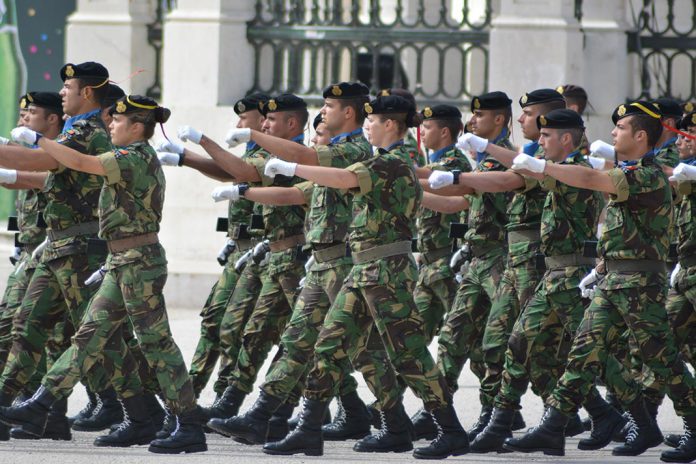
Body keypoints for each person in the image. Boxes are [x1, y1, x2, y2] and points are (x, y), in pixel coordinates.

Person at [259, 95, 469, 459]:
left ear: (391, 124)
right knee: (327, 343)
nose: (367, 126)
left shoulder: (393, 161)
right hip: (363, 270)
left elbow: (343, 178)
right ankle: (310, 429)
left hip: (387, 271)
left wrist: (294, 168)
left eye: (372, 121)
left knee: (409, 353)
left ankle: (450, 430)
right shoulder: (384, 160)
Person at [0, 94, 208, 454]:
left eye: (118, 121)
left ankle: (189, 424)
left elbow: (80, 161)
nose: (110, 124)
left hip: (139, 262)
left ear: (138, 127)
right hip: (122, 260)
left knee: (156, 344)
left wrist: (40, 141)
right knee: (88, 336)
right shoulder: (126, 157)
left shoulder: (133, 158)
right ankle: (42, 404)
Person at [209, 82, 408, 450]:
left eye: (330, 105)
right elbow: (297, 192)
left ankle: (394, 422)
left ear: (348, 112)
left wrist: (254, 135)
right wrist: (243, 192)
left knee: (362, 349)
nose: (324, 110)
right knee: (298, 340)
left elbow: (308, 162)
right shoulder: (331, 151)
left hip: (347, 262)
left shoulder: (355, 150)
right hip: (322, 262)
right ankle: (263, 417)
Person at [503, 102, 696, 463]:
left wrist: (544, 167)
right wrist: (603, 267)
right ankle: (554, 422)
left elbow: (594, 179)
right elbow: (621, 228)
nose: (612, 133)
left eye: (620, 128)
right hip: (615, 279)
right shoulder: (630, 170)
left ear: (640, 136)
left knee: (662, 359)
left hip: (640, 283)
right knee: (583, 352)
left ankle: (693, 423)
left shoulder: (648, 175)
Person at [469, 109, 624, 454]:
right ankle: (502, 423)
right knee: (521, 343)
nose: (538, 142)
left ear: (565, 139)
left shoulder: (577, 170)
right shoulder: (555, 166)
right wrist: (485, 149)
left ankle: (633, 418)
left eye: (545, 136)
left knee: (587, 354)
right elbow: (528, 164)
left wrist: (481, 155)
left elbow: (523, 169)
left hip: (571, 275)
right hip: (552, 274)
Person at [175, 94, 308, 424]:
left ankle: (329, 410)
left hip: (295, 257)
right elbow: (238, 172)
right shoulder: (273, 155)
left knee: (312, 338)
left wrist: (199, 146)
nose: (256, 126)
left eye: (261, 122)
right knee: (253, 331)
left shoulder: (299, 159)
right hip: (270, 255)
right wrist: (186, 157)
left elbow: (243, 173)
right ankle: (233, 402)